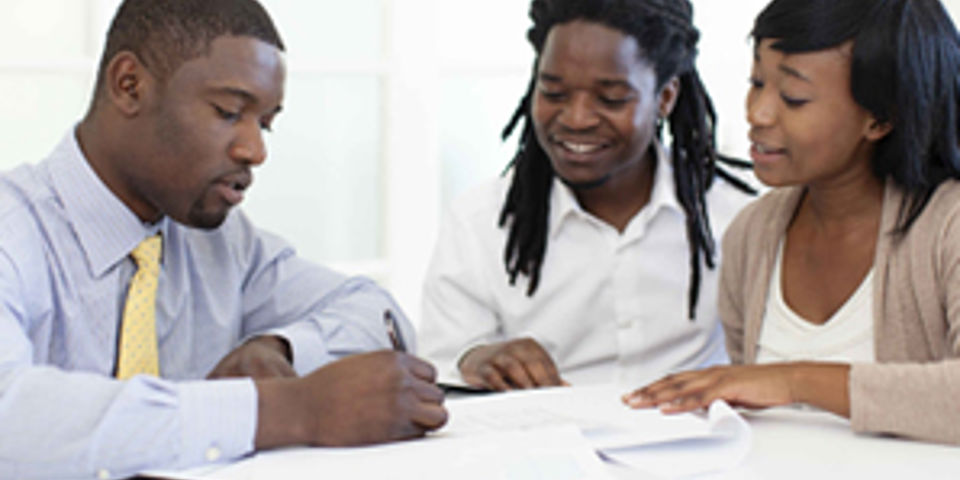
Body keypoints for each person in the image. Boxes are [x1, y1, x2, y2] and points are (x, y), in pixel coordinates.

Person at [0, 1, 447, 478]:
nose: (255, 151)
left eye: (266, 123)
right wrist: (285, 409)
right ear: (129, 85)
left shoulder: (222, 243)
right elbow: (11, 414)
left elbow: (378, 313)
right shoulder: (14, 231)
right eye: (229, 112)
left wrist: (281, 349)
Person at [624, 0, 960, 445]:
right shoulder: (753, 233)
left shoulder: (947, 227)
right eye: (756, 82)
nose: (757, 113)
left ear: (881, 118)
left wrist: (795, 380)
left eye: (793, 98)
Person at [419, 0, 756, 391]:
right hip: (543, 442)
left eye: (611, 99)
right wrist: (476, 360)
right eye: (554, 93)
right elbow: (438, 366)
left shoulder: (736, 214)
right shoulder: (479, 222)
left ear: (665, 97)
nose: (577, 119)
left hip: (704, 443)